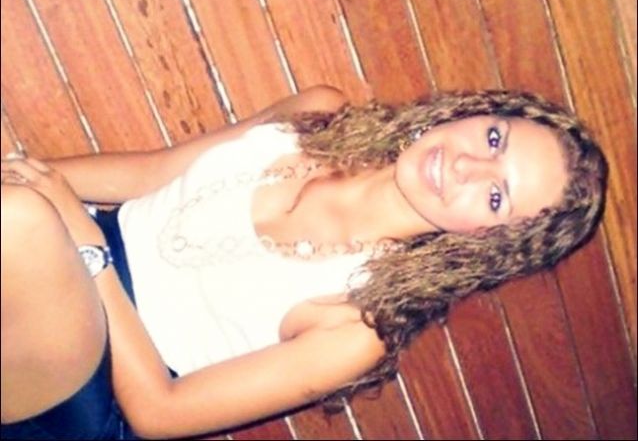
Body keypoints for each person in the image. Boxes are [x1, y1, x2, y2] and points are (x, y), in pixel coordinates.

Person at [0, 86, 608, 439]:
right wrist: (36, 179)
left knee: (20, 221)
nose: (468, 166)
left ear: (487, 242)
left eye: (496, 196)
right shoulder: (322, 115)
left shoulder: (357, 325)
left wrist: (85, 243)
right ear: (475, 111)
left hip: (100, 380)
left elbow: (160, 412)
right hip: (64, 248)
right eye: (495, 138)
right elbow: (155, 171)